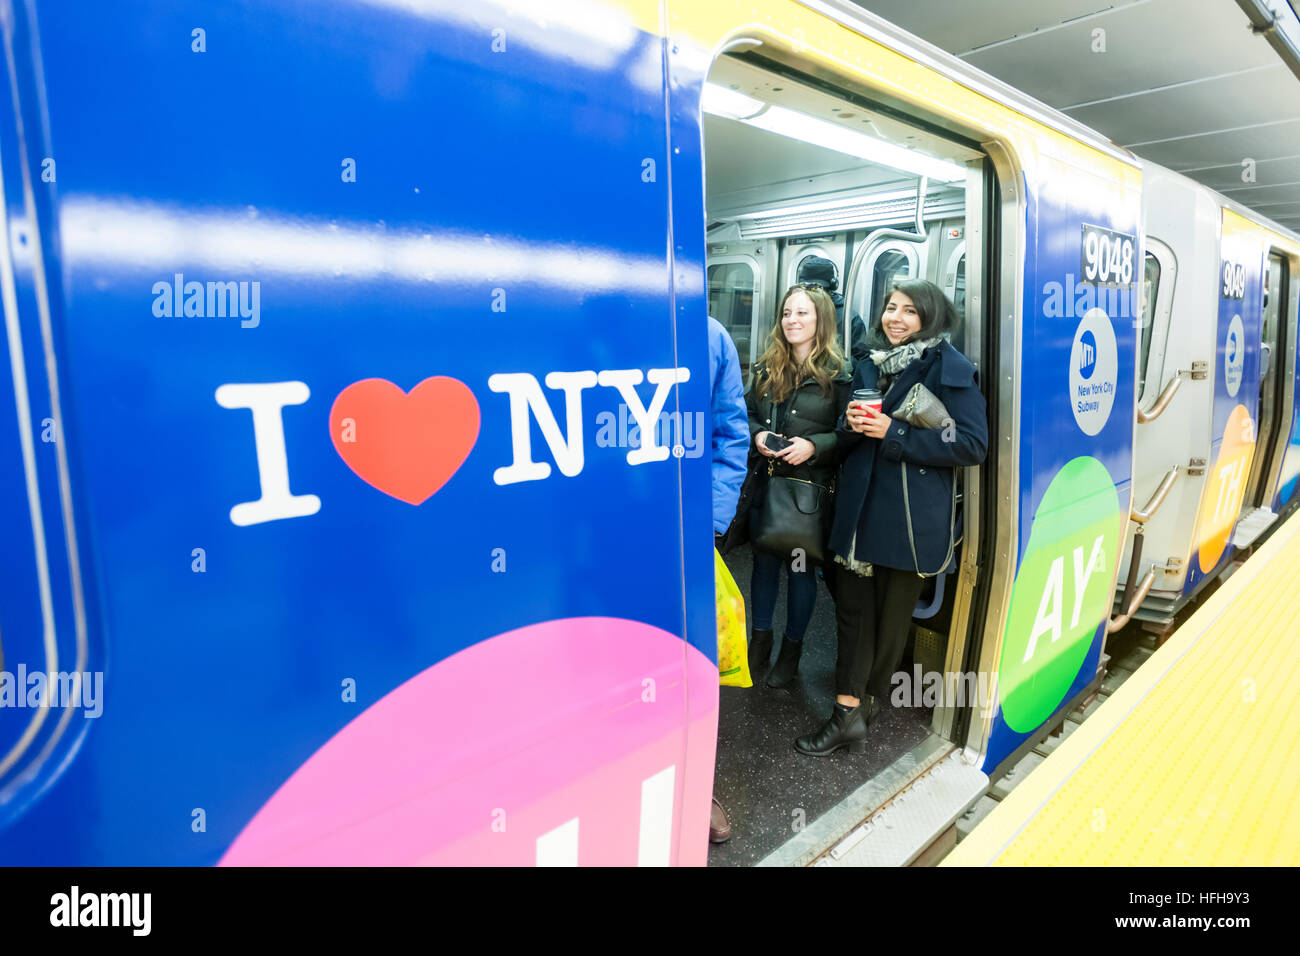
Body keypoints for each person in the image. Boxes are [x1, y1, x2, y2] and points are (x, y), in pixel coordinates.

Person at [795, 279, 987, 757]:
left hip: (907, 519)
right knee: (852, 613)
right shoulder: (868, 361)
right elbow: (851, 431)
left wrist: (893, 431)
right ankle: (849, 708)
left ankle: (859, 704)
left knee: (892, 621)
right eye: (890, 308)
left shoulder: (949, 368)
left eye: (909, 311)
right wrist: (852, 426)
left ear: (930, 318)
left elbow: (970, 444)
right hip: (859, 513)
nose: (895, 318)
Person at [747, 284, 850, 689]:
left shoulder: (841, 376)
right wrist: (757, 435)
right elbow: (746, 414)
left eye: (802, 313)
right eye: (787, 313)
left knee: (800, 569)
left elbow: (850, 436)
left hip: (808, 494)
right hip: (767, 487)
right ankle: (759, 645)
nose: (792, 320)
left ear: (821, 320)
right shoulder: (765, 367)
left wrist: (814, 446)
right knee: (763, 565)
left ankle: (791, 653)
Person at [707, 315, 749, 844]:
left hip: (684, 529)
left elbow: (729, 431)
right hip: (603, 532)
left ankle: (696, 778)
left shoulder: (710, 334)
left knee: (693, 659)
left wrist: (712, 523)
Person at [796, 255, 869, 366]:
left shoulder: (848, 318)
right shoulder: (793, 313)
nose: (813, 293)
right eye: (808, 288)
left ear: (832, 286)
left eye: (818, 288)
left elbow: (863, 359)